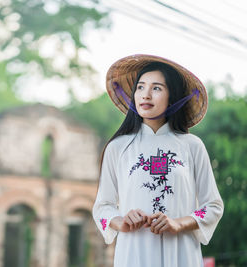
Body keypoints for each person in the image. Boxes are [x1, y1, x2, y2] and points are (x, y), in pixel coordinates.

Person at [92, 54, 224, 267]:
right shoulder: (118, 148)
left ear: (172, 97)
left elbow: (213, 206)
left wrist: (178, 224)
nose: (145, 95)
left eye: (156, 88)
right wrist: (123, 221)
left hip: (182, 255)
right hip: (133, 255)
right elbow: (102, 208)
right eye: (141, 87)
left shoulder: (192, 146)